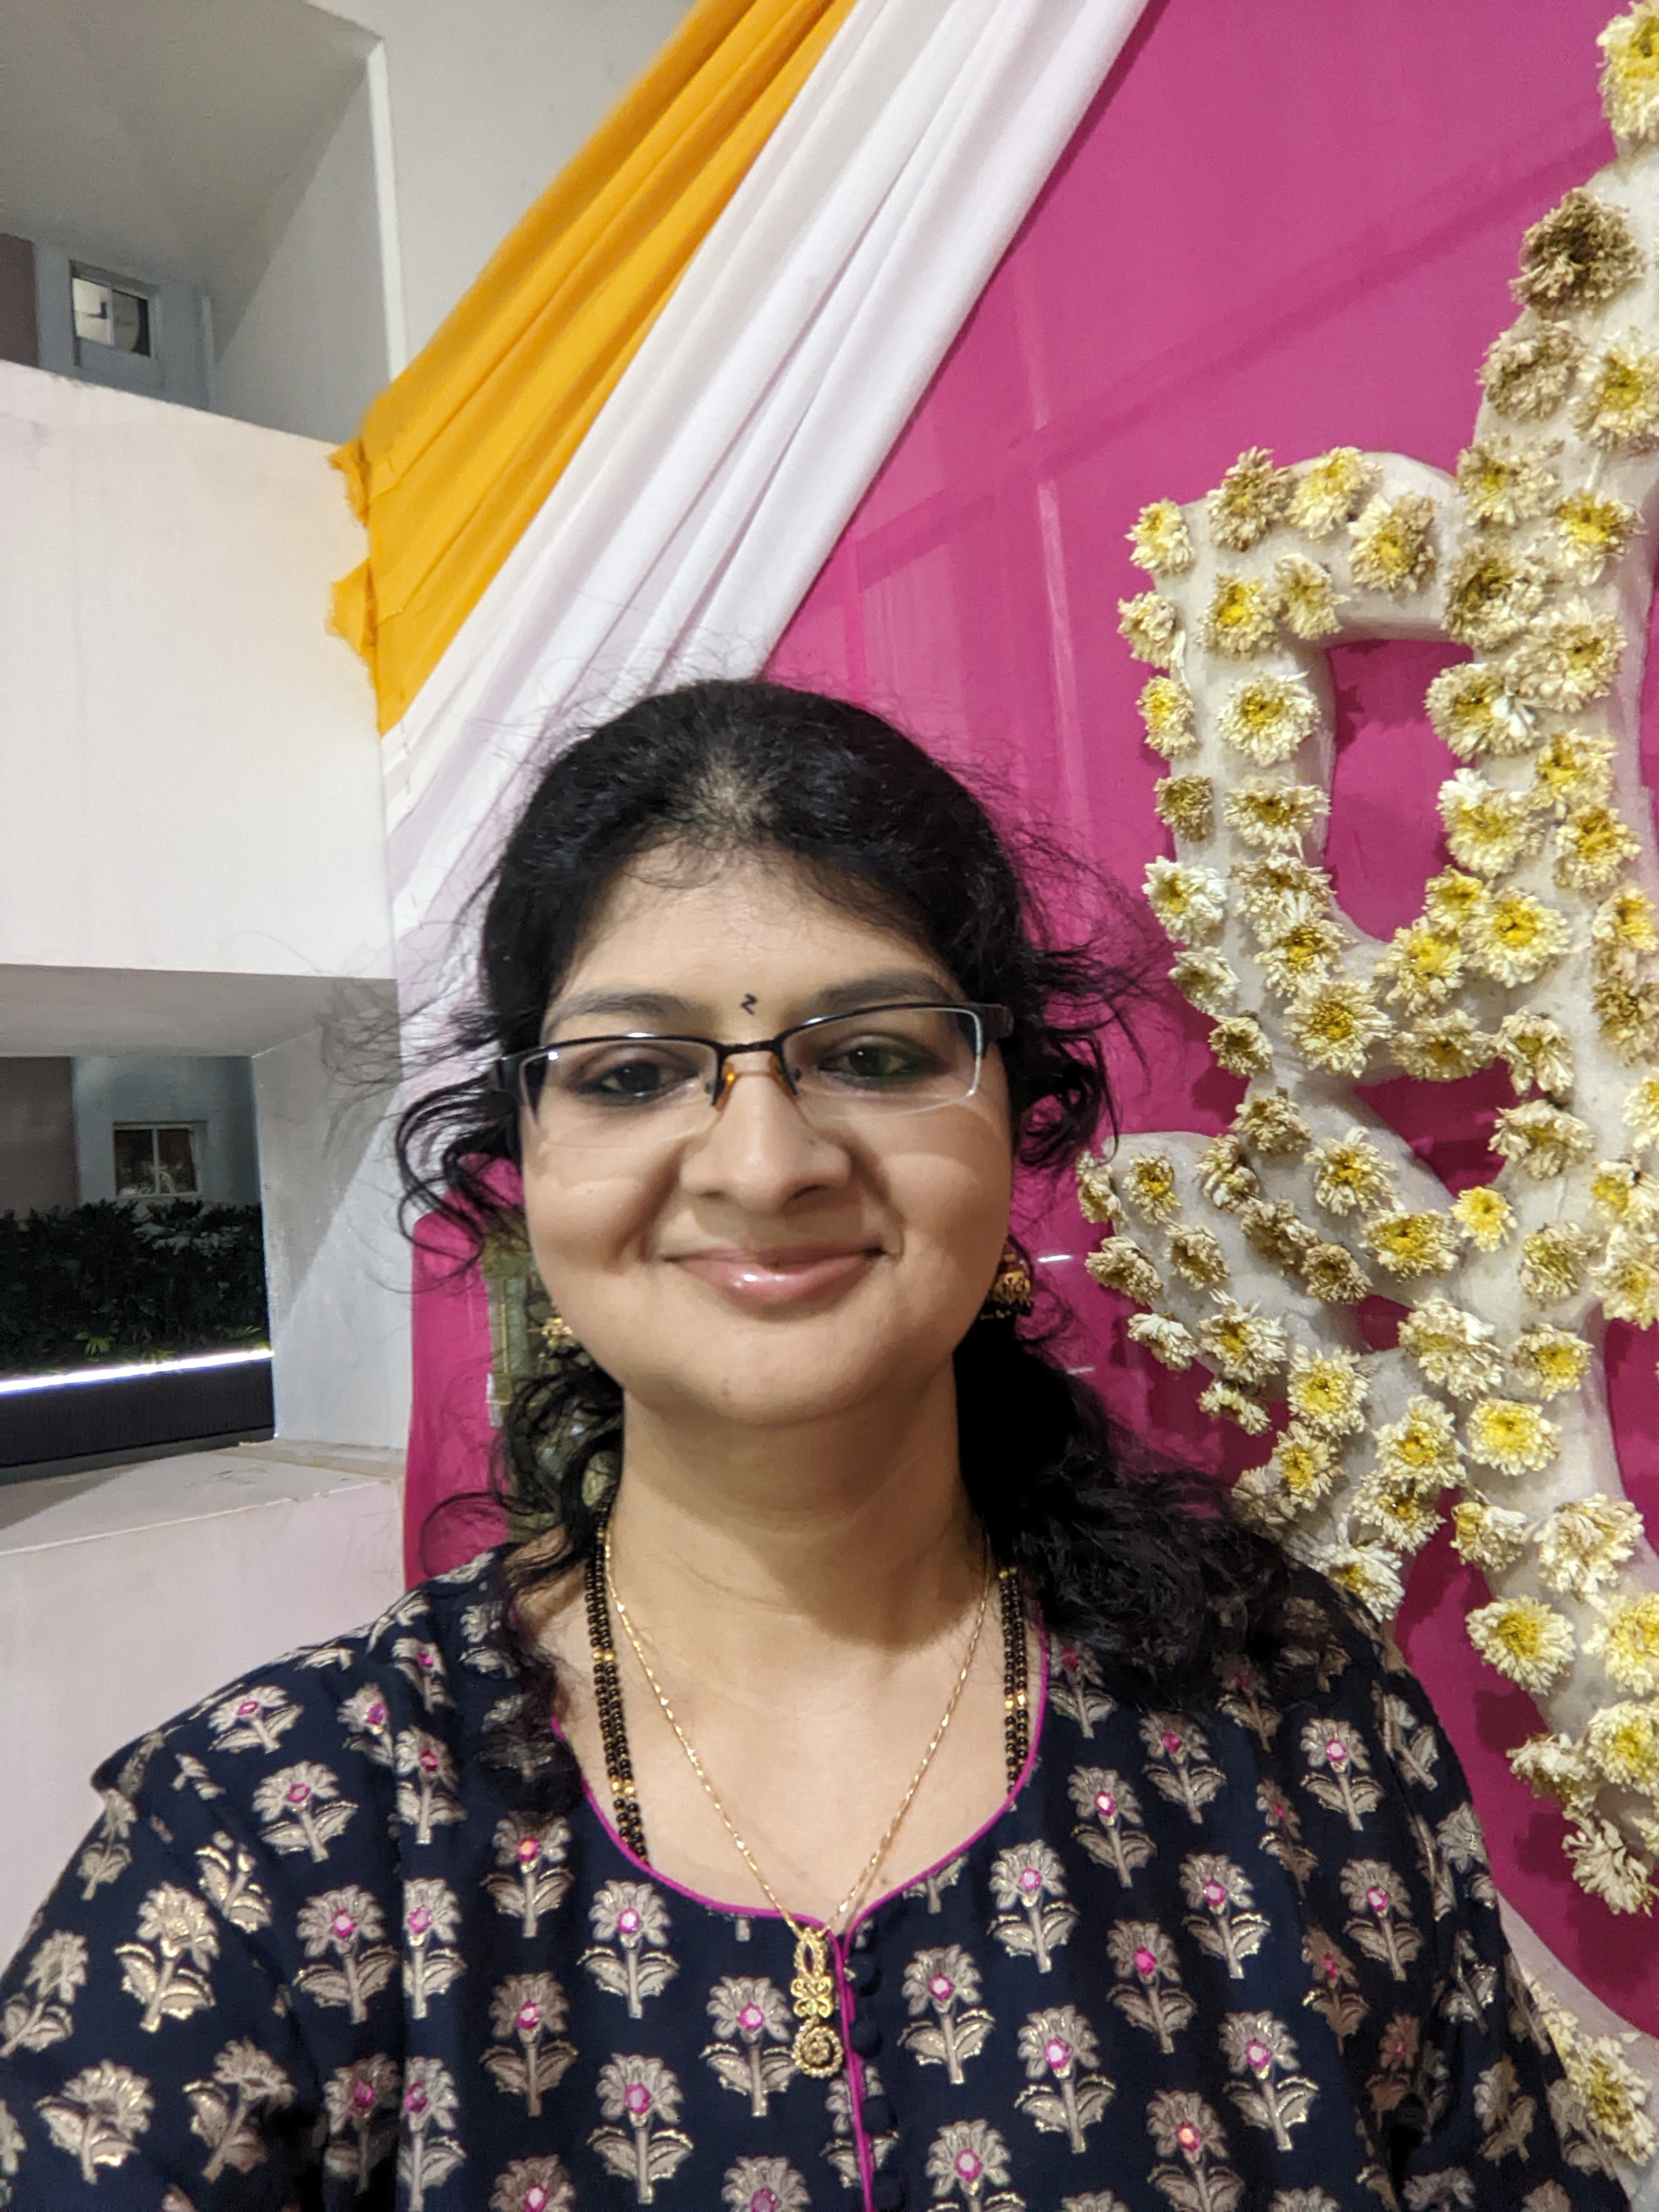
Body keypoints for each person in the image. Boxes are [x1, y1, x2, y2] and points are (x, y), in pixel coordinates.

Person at [0, 680, 1628, 2211]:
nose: (764, 1163)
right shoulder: (276, 1835)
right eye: (634, 1074)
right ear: (522, 1160)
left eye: (875, 1056)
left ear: (1016, 1115)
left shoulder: (1282, 1709)